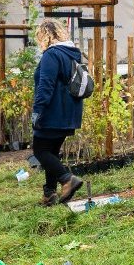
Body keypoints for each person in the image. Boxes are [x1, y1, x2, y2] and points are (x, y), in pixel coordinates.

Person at [31, 19, 85, 205]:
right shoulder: (71, 54)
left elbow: (45, 86)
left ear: (44, 36)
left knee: (40, 150)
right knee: (51, 151)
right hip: (69, 113)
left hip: (53, 113)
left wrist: (37, 112)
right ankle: (49, 194)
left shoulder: (51, 55)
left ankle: (67, 179)